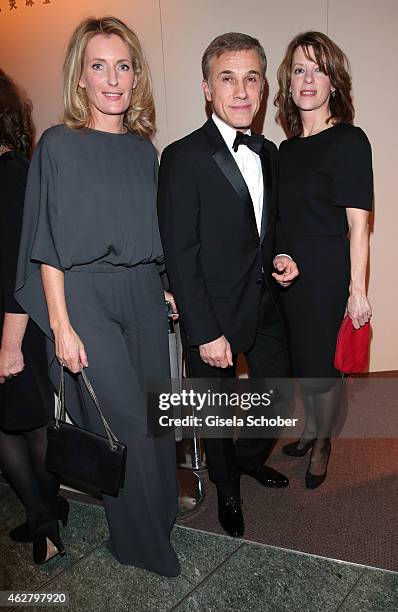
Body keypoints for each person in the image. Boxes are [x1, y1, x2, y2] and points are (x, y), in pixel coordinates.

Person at [15, 16, 180, 576]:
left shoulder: (144, 153)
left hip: (143, 296)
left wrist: (164, 290)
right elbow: (47, 246)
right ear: (79, 78)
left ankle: (158, 522)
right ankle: (143, 548)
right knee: (128, 422)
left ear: (136, 78)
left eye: (124, 66)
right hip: (85, 297)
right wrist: (61, 325)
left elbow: (154, 238)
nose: (113, 78)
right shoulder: (58, 145)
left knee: (158, 419)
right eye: (98, 66)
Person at [157, 32, 298, 538]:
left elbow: (269, 226)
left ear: (262, 89)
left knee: (281, 396)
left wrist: (280, 253)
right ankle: (227, 488)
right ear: (207, 89)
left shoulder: (270, 152)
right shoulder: (182, 156)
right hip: (211, 314)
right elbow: (180, 251)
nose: (240, 91)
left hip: (264, 304)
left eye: (251, 79)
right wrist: (204, 330)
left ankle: (244, 459)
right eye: (227, 78)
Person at [274, 31, 373, 487]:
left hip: (328, 274)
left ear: (334, 81)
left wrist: (357, 289)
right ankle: (312, 427)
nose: (308, 78)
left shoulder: (350, 141)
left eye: (318, 68)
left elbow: (358, 225)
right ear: (289, 83)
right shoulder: (286, 150)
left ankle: (324, 441)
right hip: (289, 275)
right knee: (300, 364)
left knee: (322, 369)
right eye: (299, 69)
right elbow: (280, 220)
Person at [0, 69, 69, 565]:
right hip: (14, 320)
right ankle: (48, 509)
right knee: (25, 421)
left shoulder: (9, 175)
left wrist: (7, 344)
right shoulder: (15, 171)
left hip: (12, 322)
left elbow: (19, 267)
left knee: (19, 425)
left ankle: (43, 518)